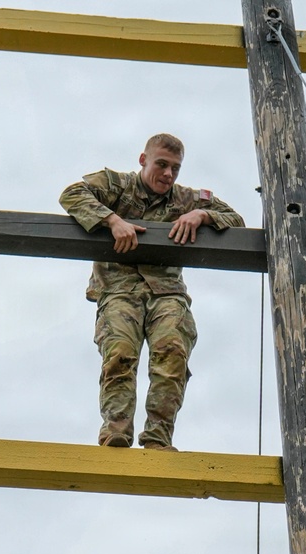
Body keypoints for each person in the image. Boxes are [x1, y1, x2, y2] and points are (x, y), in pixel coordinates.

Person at [60, 133, 243, 449]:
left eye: (175, 168)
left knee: (172, 352)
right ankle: (115, 431)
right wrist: (112, 220)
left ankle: (158, 436)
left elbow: (236, 220)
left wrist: (202, 215)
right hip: (118, 289)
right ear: (143, 160)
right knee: (119, 354)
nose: (168, 175)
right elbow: (72, 194)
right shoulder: (116, 185)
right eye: (162, 164)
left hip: (166, 293)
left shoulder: (185, 199)